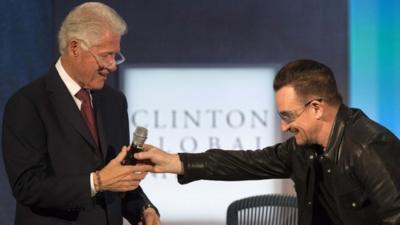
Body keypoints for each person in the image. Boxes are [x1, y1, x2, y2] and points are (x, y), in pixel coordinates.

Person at [135, 59, 400, 225]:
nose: (283, 127)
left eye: (288, 116)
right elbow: (247, 162)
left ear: (317, 108)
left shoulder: (368, 146)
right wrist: (176, 162)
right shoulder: (303, 148)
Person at [2, 2, 161, 225]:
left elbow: (118, 175)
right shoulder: (27, 104)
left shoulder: (114, 102)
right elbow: (27, 186)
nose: (113, 65)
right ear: (75, 48)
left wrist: (144, 209)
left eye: (116, 55)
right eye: (105, 55)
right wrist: (96, 182)